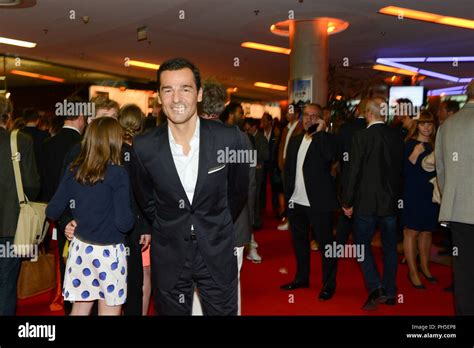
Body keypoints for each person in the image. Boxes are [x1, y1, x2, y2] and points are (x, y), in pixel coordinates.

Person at [130, 58, 249, 315]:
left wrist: (217, 221)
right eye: (167, 90)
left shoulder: (229, 139)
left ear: (199, 93)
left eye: (185, 88)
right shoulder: (144, 146)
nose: (176, 98)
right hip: (169, 253)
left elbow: (238, 192)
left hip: (217, 250)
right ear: (159, 96)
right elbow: (146, 199)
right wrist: (169, 222)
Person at [46, 117, 134, 316]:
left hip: (80, 250)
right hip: (109, 253)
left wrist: (72, 220)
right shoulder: (118, 174)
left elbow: (52, 211)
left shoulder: (73, 170)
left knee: (79, 309)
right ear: (114, 141)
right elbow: (124, 222)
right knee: (109, 310)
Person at [342, 97, 404, 311]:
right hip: (390, 204)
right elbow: (399, 173)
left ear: (368, 113)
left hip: (365, 203)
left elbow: (354, 172)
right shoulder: (397, 137)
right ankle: (390, 291)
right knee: (389, 248)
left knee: (361, 246)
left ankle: (375, 286)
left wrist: (347, 201)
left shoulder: (361, 137)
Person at [281, 103, 339, 301]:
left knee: (326, 246)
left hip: (319, 203)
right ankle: (301, 278)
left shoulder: (327, 140)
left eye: (314, 116)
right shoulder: (296, 140)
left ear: (321, 119)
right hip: (296, 202)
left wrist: (321, 133)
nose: (309, 119)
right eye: (306, 115)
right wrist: (288, 195)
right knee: (299, 243)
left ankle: (329, 285)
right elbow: (288, 169)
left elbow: (329, 157)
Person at [435, 81, 474, 315]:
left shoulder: (447, 125)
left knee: (463, 268)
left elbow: (441, 170)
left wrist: (451, 194)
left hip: (458, 208)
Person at [0, 96, 40, 315]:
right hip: (10, 225)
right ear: (8, 117)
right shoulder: (20, 141)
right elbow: (33, 185)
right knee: (6, 286)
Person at [402, 111, 439, 289]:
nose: (427, 127)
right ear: (417, 125)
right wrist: (414, 155)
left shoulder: (435, 144)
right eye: (423, 123)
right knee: (412, 231)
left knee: (427, 231)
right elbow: (403, 172)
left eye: (430, 124)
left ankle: (425, 266)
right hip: (413, 193)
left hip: (431, 193)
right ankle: (412, 271)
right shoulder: (410, 144)